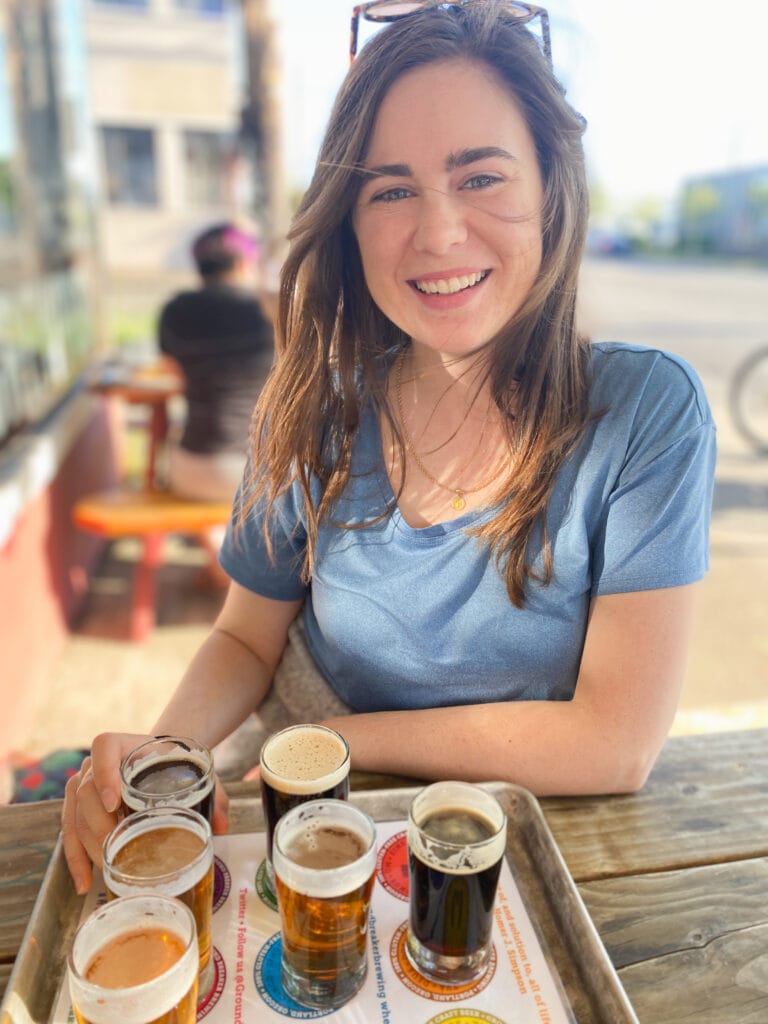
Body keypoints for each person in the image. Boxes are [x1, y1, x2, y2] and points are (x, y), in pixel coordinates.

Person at [63, 0, 716, 893]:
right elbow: (245, 640)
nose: (438, 233)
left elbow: (616, 743)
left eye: (482, 177)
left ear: (551, 192)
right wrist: (167, 755)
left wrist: (333, 742)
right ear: (349, 223)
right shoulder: (310, 408)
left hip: (515, 842)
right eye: (391, 189)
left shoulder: (644, 412)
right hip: (298, 817)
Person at [158, 221, 275, 508]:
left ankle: (216, 546)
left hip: (190, 470)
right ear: (244, 263)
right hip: (259, 472)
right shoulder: (271, 311)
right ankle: (227, 546)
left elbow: (174, 373)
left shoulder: (175, 310)